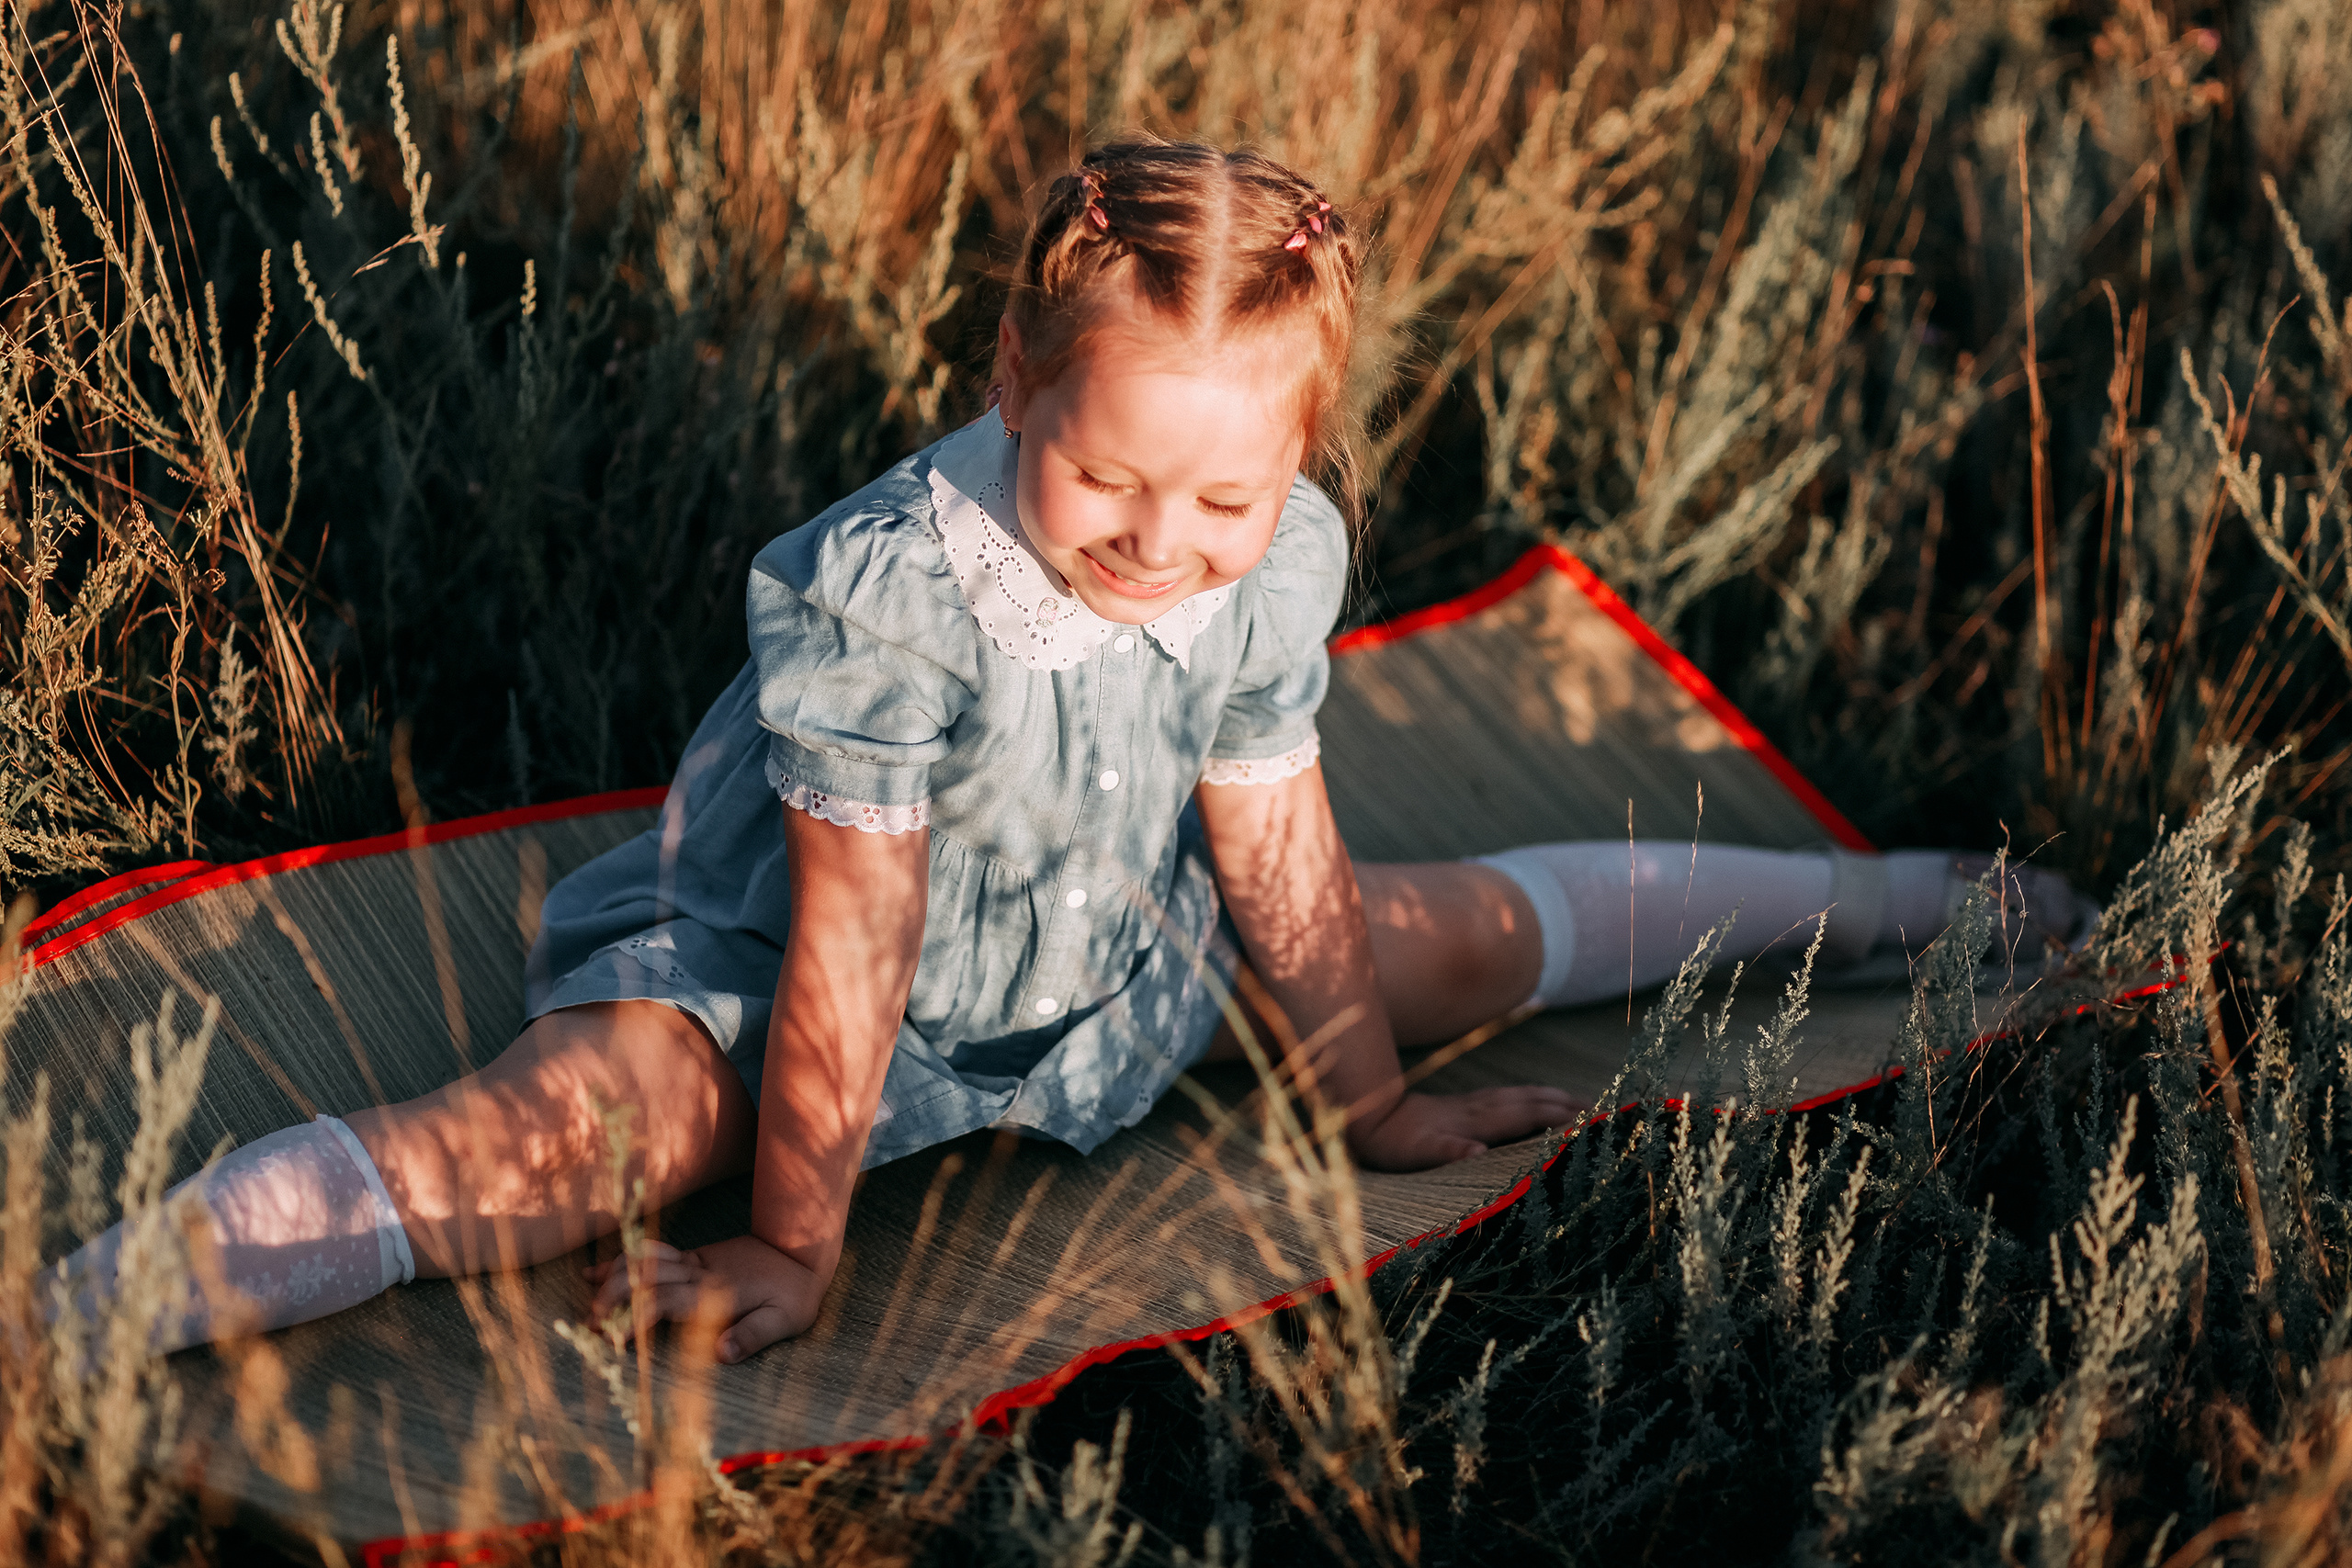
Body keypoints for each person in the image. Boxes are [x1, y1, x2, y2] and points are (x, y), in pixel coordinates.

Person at [51, 141, 2093, 1365]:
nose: (1158, 544)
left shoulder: (1265, 553)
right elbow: (855, 937)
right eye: (1108, 475)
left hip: (1112, 949)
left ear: (1293, 461)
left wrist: (1365, 1094)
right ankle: (81, 1319)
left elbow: (1270, 832)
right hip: (781, 979)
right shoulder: (888, 594)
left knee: (1444, 940)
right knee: (564, 1138)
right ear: (1014, 376)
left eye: (1224, 499)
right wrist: (793, 1239)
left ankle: (1893, 902)